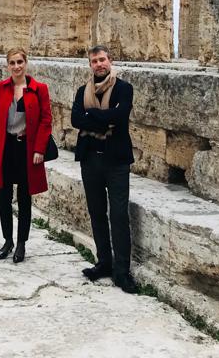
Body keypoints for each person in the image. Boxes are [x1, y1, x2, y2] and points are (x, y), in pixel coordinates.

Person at [71, 44, 138, 294]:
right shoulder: (82, 91)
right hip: (90, 159)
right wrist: (105, 117)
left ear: (110, 61)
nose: (99, 64)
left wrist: (91, 115)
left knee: (119, 215)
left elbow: (120, 118)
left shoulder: (124, 88)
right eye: (94, 61)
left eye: (102, 59)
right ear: (90, 65)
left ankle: (122, 271)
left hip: (116, 161)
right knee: (97, 212)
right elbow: (75, 119)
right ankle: (104, 263)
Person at [0, 48, 52, 263]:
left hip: (27, 148)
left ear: (26, 63)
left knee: (25, 197)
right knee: (4, 196)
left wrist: (39, 149)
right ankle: (8, 240)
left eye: (20, 62)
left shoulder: (39, 89)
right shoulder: (1, 88)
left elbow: (46, 121)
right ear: (8, 66)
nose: (16, 66)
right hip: (5, 148)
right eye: (12, 63)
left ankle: (22, 242)